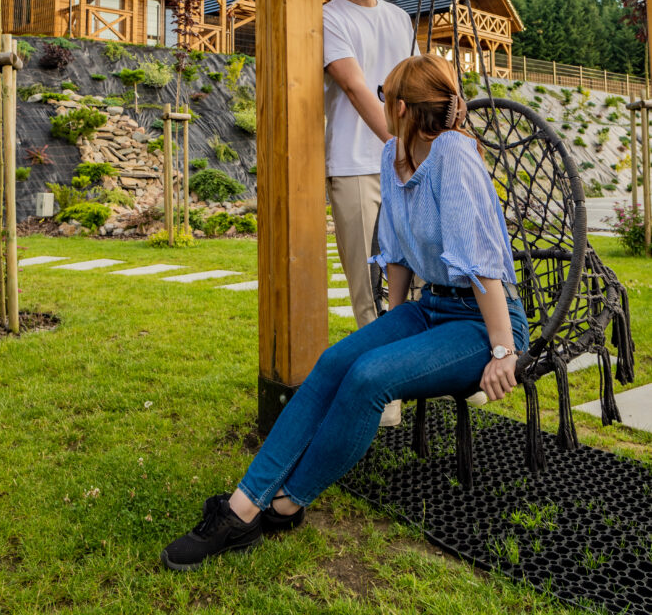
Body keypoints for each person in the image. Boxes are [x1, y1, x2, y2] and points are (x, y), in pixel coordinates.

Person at [161, 53, 530, 572]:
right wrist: (393, 323)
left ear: (401, 106)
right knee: (335, 362)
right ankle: (241, 510)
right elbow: (399, 251)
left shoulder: (454, 154)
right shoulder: (392, 155)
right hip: (431, 310)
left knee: (367, 378)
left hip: (483, 321)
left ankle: (289, 501)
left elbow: (483, 267)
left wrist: (503, 351)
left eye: (383, 95)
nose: (380, 103)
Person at [323, 0, 415, 398]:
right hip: (356, 163)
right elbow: (356, 87)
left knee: (415, 280)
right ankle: (383, 398)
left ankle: (414, 375)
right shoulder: (330, 17)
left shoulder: (400, 20)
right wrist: (397, 148)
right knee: (367, 289)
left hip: (405, 163)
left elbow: (413, 87)